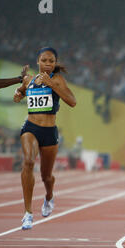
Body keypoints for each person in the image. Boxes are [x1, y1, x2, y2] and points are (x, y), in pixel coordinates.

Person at [13, 47, 76, 230]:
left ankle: (49, 196)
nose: (48, 64)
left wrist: (52, 85)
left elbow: (72, 101)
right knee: (28, 161)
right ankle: (27, 213)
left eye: (51, 61)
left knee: (46, 176)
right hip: (31, 127)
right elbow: (21, 91)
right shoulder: (29, 79)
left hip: (49, 132)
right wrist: (18, 94)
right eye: (44, 60)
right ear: (38, 61)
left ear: (55, 63)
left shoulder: (57, 79)